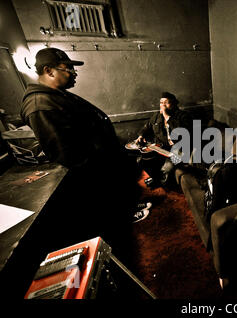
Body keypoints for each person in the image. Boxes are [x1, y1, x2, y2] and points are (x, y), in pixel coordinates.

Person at [20, 48, 150, 260]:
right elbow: (67, 153)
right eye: (68, 68)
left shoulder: (53, 96)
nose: (73, 73)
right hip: (92, 172)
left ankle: (125, 210)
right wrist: (100, 164)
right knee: (111, 226)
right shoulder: (40, 105)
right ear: (48, 71)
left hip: (101, 162)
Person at [135, 91, 192, 187]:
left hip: (179, 150)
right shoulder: (156, 116)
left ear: (173, 104)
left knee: (167, 168)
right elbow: (147, 126)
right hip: (162, 148)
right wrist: (141, 136)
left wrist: (166, 116)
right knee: (141, 160)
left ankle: (162, 183)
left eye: (166, 102)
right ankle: (156, 178)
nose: (163, 105)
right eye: (161, 103)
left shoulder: (183, 116)